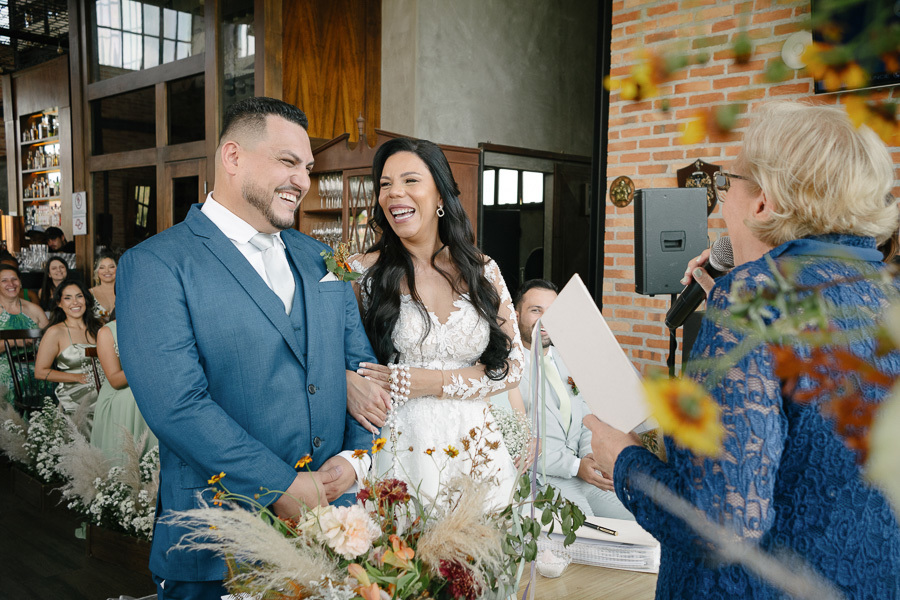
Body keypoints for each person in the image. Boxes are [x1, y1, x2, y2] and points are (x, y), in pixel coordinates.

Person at [585, 101, 900, 598]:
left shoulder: (754, 300)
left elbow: (721, 523)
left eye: (727, 184)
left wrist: (622, 458)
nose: (721, 202)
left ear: (762, 204)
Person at [116, 97, 380, 600]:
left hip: (333, 531)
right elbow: (176, 406)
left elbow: (362, 371)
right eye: (287, 161)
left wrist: (355, 459)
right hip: (216, 542)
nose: (302, 180)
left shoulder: (322, 258)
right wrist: (279, 485)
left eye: (307, 168)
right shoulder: (156, 265)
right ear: (233, 157)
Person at [349, 137, 525, 507]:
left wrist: (431, 382)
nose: (395, 192)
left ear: (441, 196)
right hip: (399, 446)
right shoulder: (361, 273)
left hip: (476, 448)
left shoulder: (482, 270)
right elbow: (334, 360)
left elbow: (514, 367)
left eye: (410, 180)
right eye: (385, 184)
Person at [515, 279, 633, 520]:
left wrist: (591, 457)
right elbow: (514, 444)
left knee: (642, 519)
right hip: (543, 478)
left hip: (586, 472)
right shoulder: (506, 371)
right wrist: (575, 467)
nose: (545, 320)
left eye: (552, 312)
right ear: (516, 315)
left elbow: (587, 415)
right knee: (587, 531)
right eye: (536, 310)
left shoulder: (570, 358)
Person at [90, 310, 158, 465]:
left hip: (152, 383)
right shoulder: (107, 332)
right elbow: (115, 380)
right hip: (121, 392)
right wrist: (149, 364)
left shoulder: (154, 325)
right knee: (142, 396)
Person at [34, 280, 102, 428]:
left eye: (79, 296)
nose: (75, 302)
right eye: (68, 298)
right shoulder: (55, 332)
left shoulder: (98, 328)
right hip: (76, 390)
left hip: (103, 385)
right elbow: (40, 372)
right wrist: (77, 377)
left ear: (86, 299)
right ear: (59, 303)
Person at [0, 265, 49, 405]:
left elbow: (50, 340)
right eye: (4, 280)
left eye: (14, 279)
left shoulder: (35, 310)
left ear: (20, 282)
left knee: (52, 380)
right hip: (5, 367)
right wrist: (14, 342)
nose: (11, 284)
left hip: (36, 364)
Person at [89, 251, 117, 322]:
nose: (107, 271)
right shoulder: (89, 293)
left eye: (111, 267)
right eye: (102, 267)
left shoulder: (126, 293)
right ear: (97, 271)